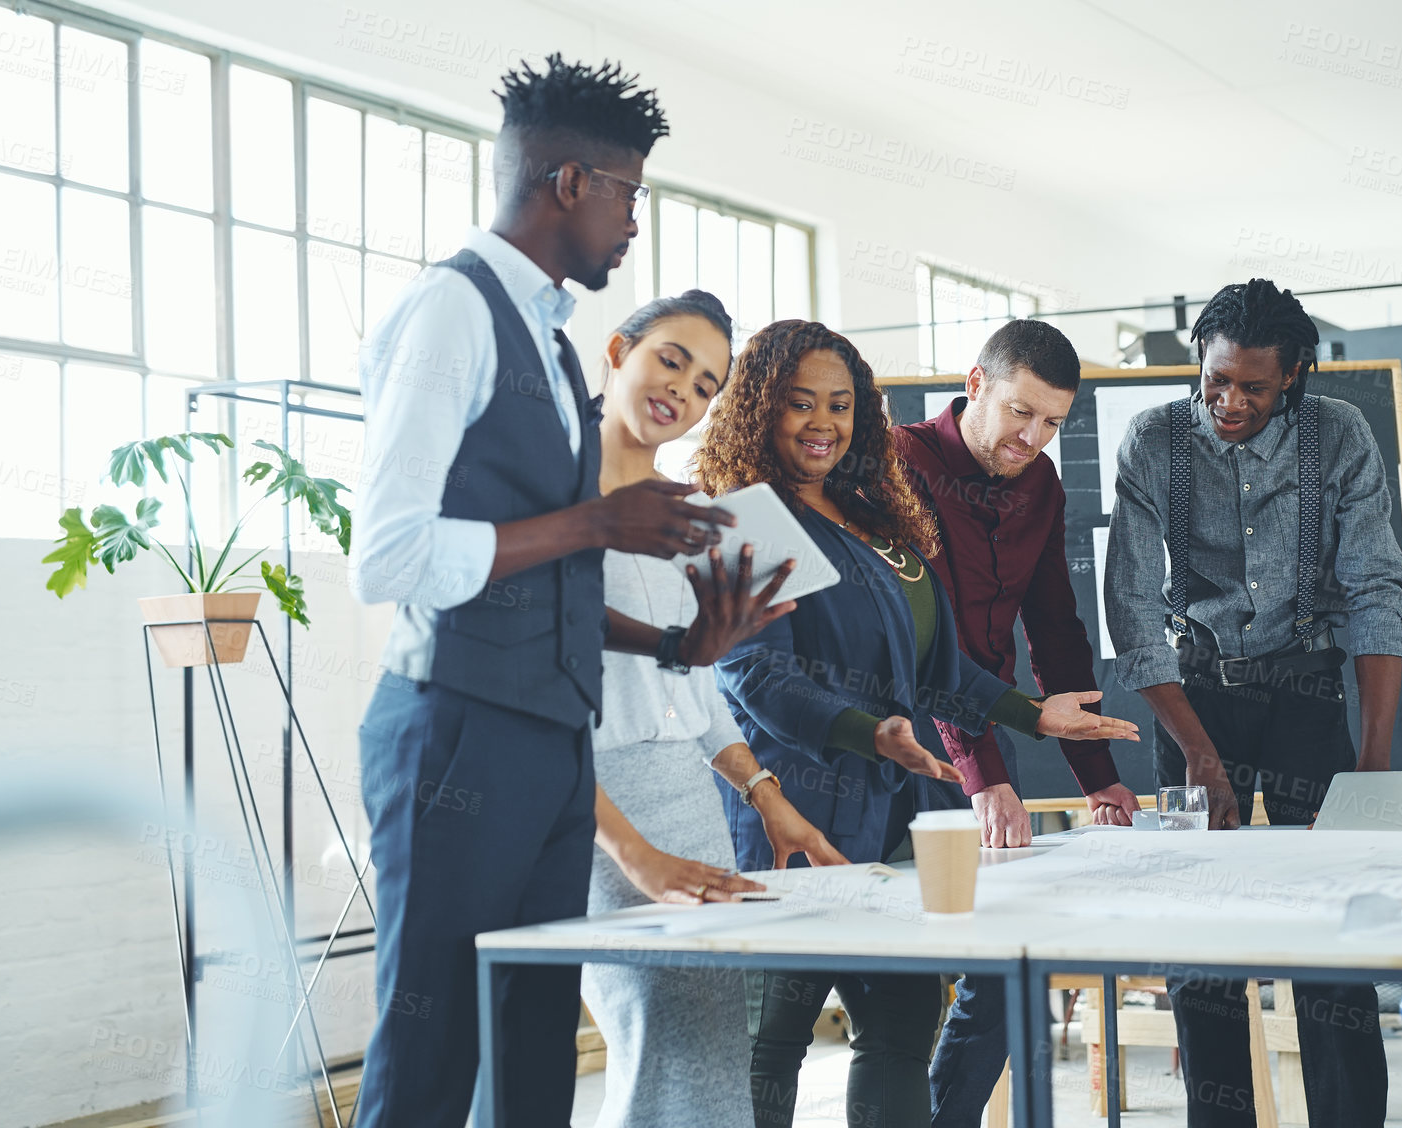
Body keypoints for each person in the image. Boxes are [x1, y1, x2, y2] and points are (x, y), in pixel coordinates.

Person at [348, 57, 793, 1128]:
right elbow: (389, 554)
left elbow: (545, 584)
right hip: (456, 727)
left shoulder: (549, 343)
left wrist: (675, 647)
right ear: (566, 182)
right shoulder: (451, 310)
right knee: (431, 1049)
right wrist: (600, 522)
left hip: (551, 740)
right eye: (628, 194)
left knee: (537, 1057)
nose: (633, 224)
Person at [693, 319, 1139, 1128]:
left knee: (900, 1028)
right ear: (760, 410)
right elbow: (753, 674)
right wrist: (869, 734)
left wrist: (1037, 715)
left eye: (839, 404)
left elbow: (934, 670)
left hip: (897, 816)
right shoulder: (742, 520)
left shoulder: (871, 518)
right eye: (800, 404)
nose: (823, 422)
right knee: (773, 1038)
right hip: (794, 818)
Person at [1104, 278, 1402, 1128]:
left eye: (1253, 387)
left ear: (1295, 376)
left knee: (1333, 941)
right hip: (1193, 701)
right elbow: (1130, 609)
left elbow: (1375, 590)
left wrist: (1371, 770)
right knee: (1203, 949)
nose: (1229, 402)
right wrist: (1198, 751)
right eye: (1214, 382)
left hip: (1307, 697)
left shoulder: (1339, 436)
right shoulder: (1153, 441)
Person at [581, 290, 848, 1128]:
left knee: (708, 1047)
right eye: (671, 361)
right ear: (618, 352)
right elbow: (538, 711)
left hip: (688, 802)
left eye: (705, 385)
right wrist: (633, 855)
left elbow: (696, 696)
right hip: (594, 808)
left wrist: (770, 802)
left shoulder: (693, 518)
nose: (684, 393)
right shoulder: (550, 508)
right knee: (656, 1033)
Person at [893, 318, 1142, 1127]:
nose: (1032, 437)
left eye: (1052, 422)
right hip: (896, 748)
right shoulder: (899, 463)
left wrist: (1099, 781)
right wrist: (984, 774)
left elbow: (1056, 630)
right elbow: (932, 646)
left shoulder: (1041, 487)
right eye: (1019, 413)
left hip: (988, 735)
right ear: (974, 385)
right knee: (881, 991)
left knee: (1000, 971)